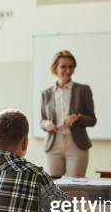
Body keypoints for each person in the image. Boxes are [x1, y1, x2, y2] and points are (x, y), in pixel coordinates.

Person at [40, 50, 96, 178]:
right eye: (63, 66)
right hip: (53, 145)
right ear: (55, 68)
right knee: (53, 187)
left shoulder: (83, 90)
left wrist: (78, 117)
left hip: (76, 145)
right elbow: (41, 121)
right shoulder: (46, 93)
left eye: (71, 67)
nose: (68, 70)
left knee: (75, 188)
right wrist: (46, 124)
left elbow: (92, 119)